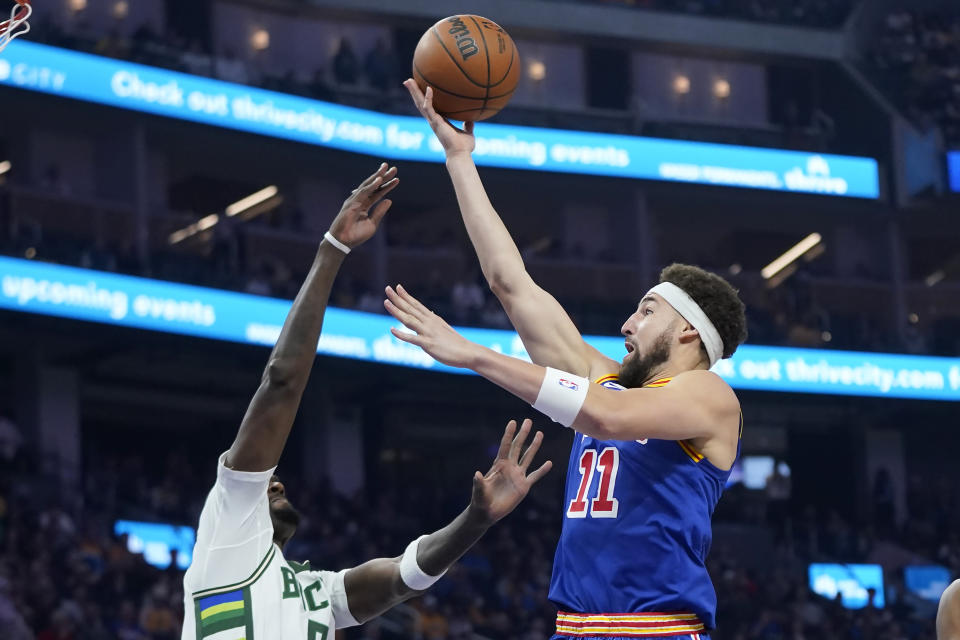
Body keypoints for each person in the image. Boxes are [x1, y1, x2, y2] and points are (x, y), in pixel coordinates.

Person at [393, 80, 748, 639]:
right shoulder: (605, 380)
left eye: (646, 311)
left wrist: (475, 356)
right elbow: (510, 285)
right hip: (574, 626)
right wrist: (459, 159)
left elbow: (605, 419)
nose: (627, 324)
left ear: (686, 332)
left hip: (655, 630)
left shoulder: (709, 396)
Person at [181, 163, 552, 639]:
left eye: (274, 479)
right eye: (268, 479)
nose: (275, 483)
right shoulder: (228, 525)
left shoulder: (314, 591)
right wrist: (331, 251)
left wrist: (474, 520)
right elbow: (281, 382)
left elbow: (403, 578)